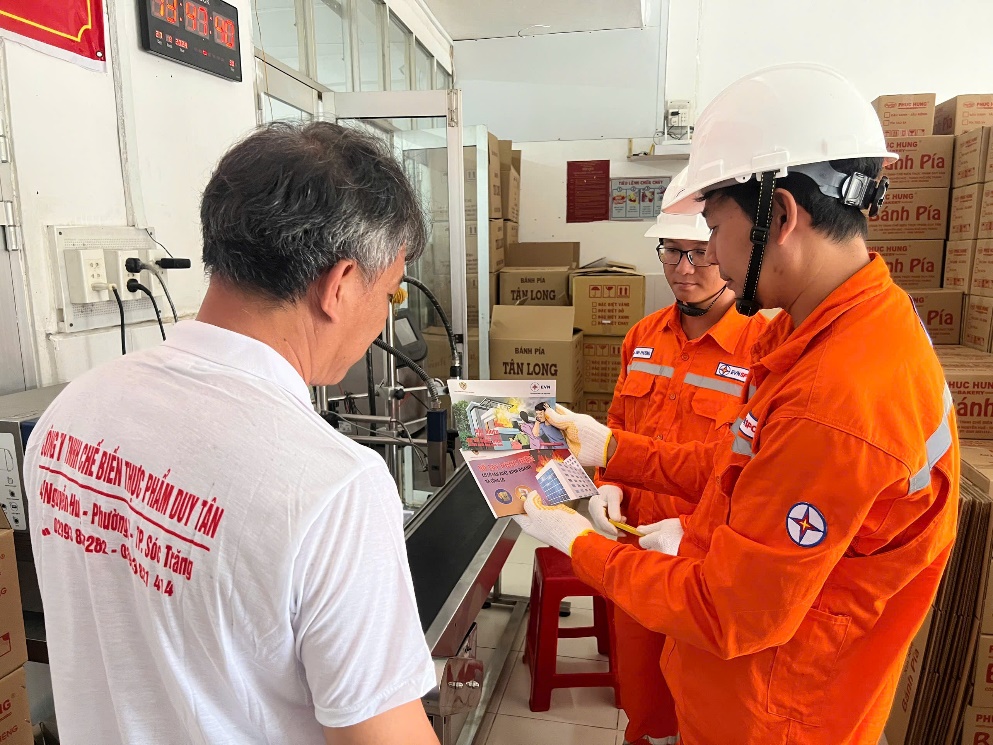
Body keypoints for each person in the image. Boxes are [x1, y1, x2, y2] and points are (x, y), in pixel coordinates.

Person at [513, 63, 958, 745]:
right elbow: (742, 465)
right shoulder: (824, 331)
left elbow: (729, 613)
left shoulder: (840, 392)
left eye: (715, 229)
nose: (708, 259)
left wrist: (577, 541)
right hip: (741, 689)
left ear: (778, 217)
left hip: (775, 714)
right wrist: (614, 450)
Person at [24, 122, 441, 745]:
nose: (385, 316)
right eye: (390, 293)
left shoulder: (72, 412)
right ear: (340, 285)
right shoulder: (333, 487)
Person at [589, 197, 768, 745]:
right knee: (642, 698)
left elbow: (757, 473)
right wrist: (607, 486)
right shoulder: (642, 337)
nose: (684, 269)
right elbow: (618, 425)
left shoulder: (763, 347)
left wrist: (692, 532)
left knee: (702, 704)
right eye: (672, 252)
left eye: (700, 253)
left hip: (706, 564)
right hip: (638, 546)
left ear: (726, 251)